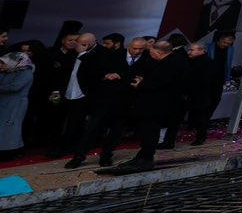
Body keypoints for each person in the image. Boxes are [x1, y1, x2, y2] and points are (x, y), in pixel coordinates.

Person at [67, 35, 134, 168]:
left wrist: (118, 75)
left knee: (114, 131)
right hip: (101, 100)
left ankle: (106, 156)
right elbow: (87, 77)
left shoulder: (111, 55)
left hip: (120, 101)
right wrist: (104, 77)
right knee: (92, 130)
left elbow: (125, 73)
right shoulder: (93, 55)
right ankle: (79, 156)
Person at [123, 39, 186, 167]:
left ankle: (145, 158)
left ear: (159, 52)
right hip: (161, 104)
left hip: (157, 105)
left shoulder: (170, 64)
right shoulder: (176, 60)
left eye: (151, 52)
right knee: (149, 131)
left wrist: (140, 84)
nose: (150, 55)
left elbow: (159, 83)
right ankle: (143, 156)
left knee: (150, 131)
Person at [57, 33, 99, 154]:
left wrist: (83, 53)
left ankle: (70, 146)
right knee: (64, 121)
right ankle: (61, 144)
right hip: (67, 93)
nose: (74, 44)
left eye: (78, 42)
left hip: (82, 94)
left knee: (76, 122)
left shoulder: (92, 57)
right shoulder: (70, 56)